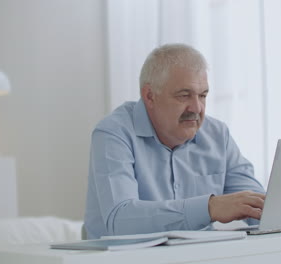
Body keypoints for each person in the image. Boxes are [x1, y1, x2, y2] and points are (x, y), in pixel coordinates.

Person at [84, 43, 265, 239]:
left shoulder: (218, 135)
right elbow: (120, 220)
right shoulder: (114, 133)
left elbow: (257, 206)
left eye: (202, 95)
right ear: (150, 96)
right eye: (184, 95)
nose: (196, 108)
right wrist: (209, 207)